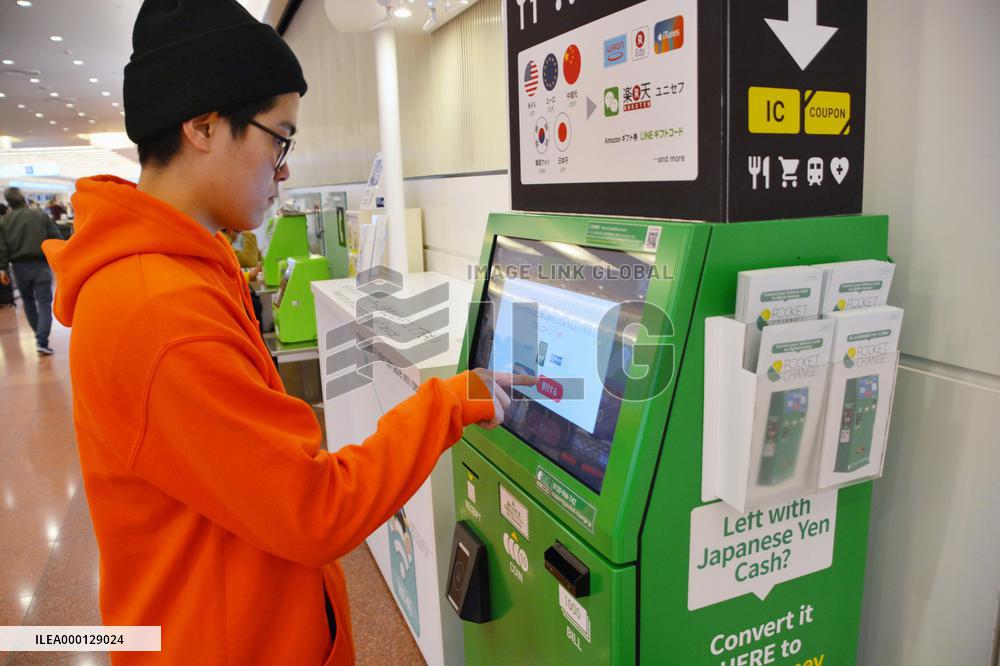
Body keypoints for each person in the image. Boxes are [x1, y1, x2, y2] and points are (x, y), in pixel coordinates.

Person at [40, 1, 532, 664]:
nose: (285, 168)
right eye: (280, 138)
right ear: (204, 126)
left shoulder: (175, 274)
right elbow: (314, 510)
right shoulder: (157, 311)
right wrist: (448, 401)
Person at [0, 186, 62, 354]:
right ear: (23, 199)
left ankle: (39, 338)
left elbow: (2, 248)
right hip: (40, 265)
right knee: (44, 303)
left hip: (18, 267)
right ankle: (42, 339)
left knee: (28, 303)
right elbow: (56, 237)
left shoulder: (4, 222)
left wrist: (2, 269)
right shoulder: (40, 215)